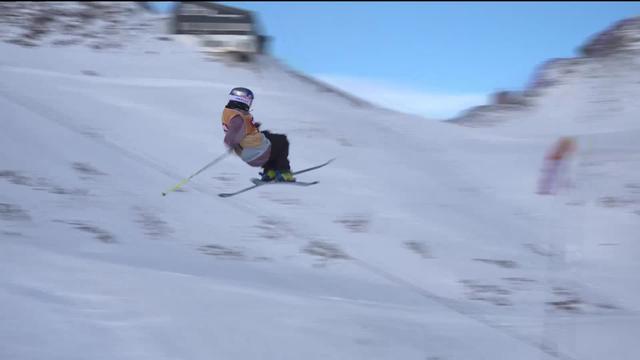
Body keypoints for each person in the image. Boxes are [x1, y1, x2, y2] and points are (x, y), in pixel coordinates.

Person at [221, 87, 296, 182]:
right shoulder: (237, 118)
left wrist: (252, 127)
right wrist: (232, 143)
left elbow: (239, 129)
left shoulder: (229, 112)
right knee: (282, 140)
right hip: (255, 151)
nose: (250, 104)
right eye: (249, 101)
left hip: (249, 151)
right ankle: (284, 172)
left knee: (268, 136)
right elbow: (232, 134)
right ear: (243, 100)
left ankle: (270, 172)